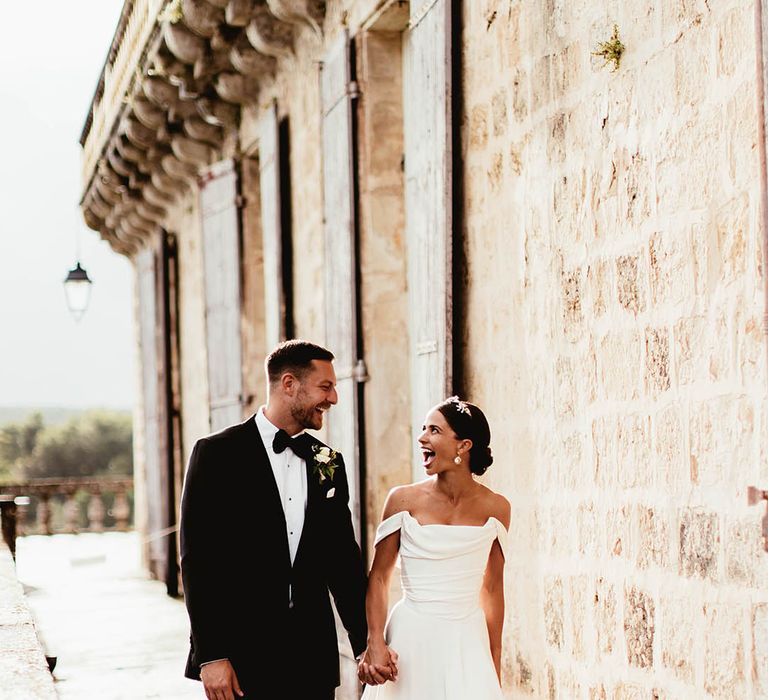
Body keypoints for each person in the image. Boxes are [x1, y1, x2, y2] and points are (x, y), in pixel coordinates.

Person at [179, 339, 371, 700]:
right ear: (289, 384)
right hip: (240, 661)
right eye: (325, 387)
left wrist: (366, 643)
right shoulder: (216, 455)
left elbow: (342, 561)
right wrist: (211, 655)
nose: (333, 399)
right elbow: (198, 563)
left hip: (312, 660)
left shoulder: (328, 462)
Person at [358, 396, 510, 699]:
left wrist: (493, 661)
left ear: (463, 446)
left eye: (434, 431)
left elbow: (492, 589)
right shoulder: (402, 500)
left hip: (467, 640)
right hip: (411, 636)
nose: (422, 437)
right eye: (424, 428)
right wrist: (376, 642)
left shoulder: (497, 507)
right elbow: (378, 577)